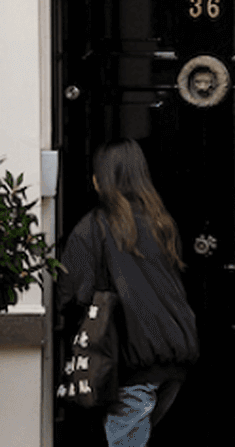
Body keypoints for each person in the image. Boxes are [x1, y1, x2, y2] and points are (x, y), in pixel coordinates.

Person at [58, 140, 199, 447]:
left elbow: (71, 296)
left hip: (130, 362)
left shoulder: (93, 228)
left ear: (100, 179)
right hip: (172, 360)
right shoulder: (160, 222)